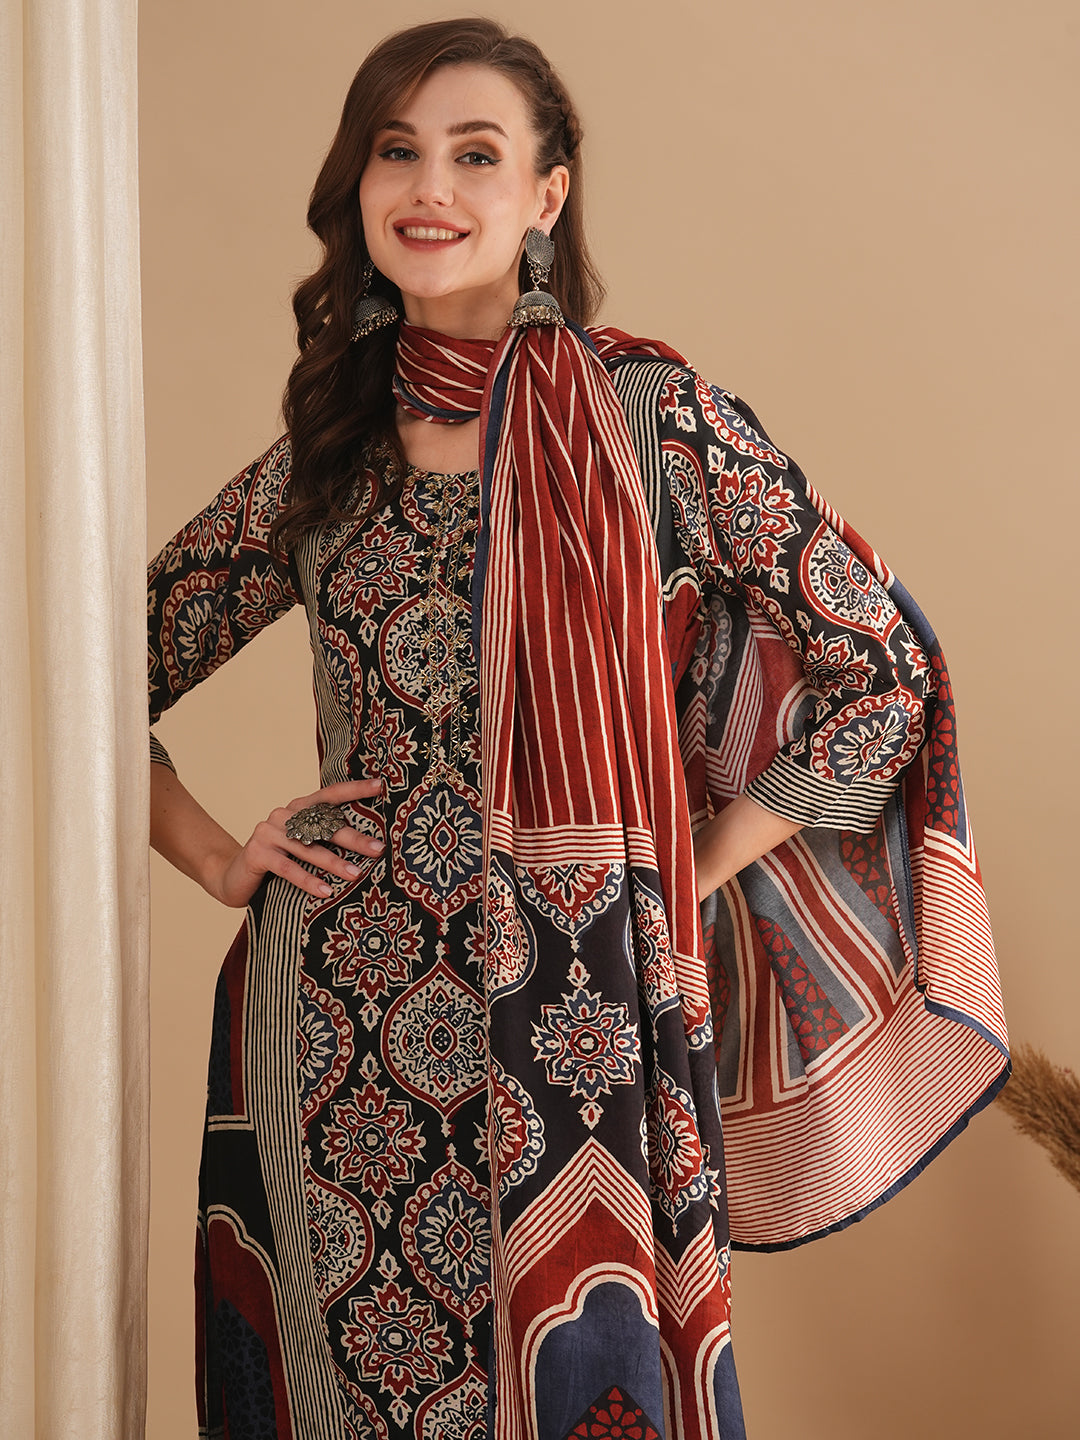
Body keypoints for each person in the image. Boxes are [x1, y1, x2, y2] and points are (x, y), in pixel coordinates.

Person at [147, 17, 1008, 1440]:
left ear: (546, 195)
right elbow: (77, 676)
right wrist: (216, 860)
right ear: (359, 186)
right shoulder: (328, 454)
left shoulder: (652, 423)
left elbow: (884, 675)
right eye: (396, 151)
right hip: (340, 1029)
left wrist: (684, 866)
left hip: (584, 1013)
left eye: (476, 154)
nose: (430, 187)